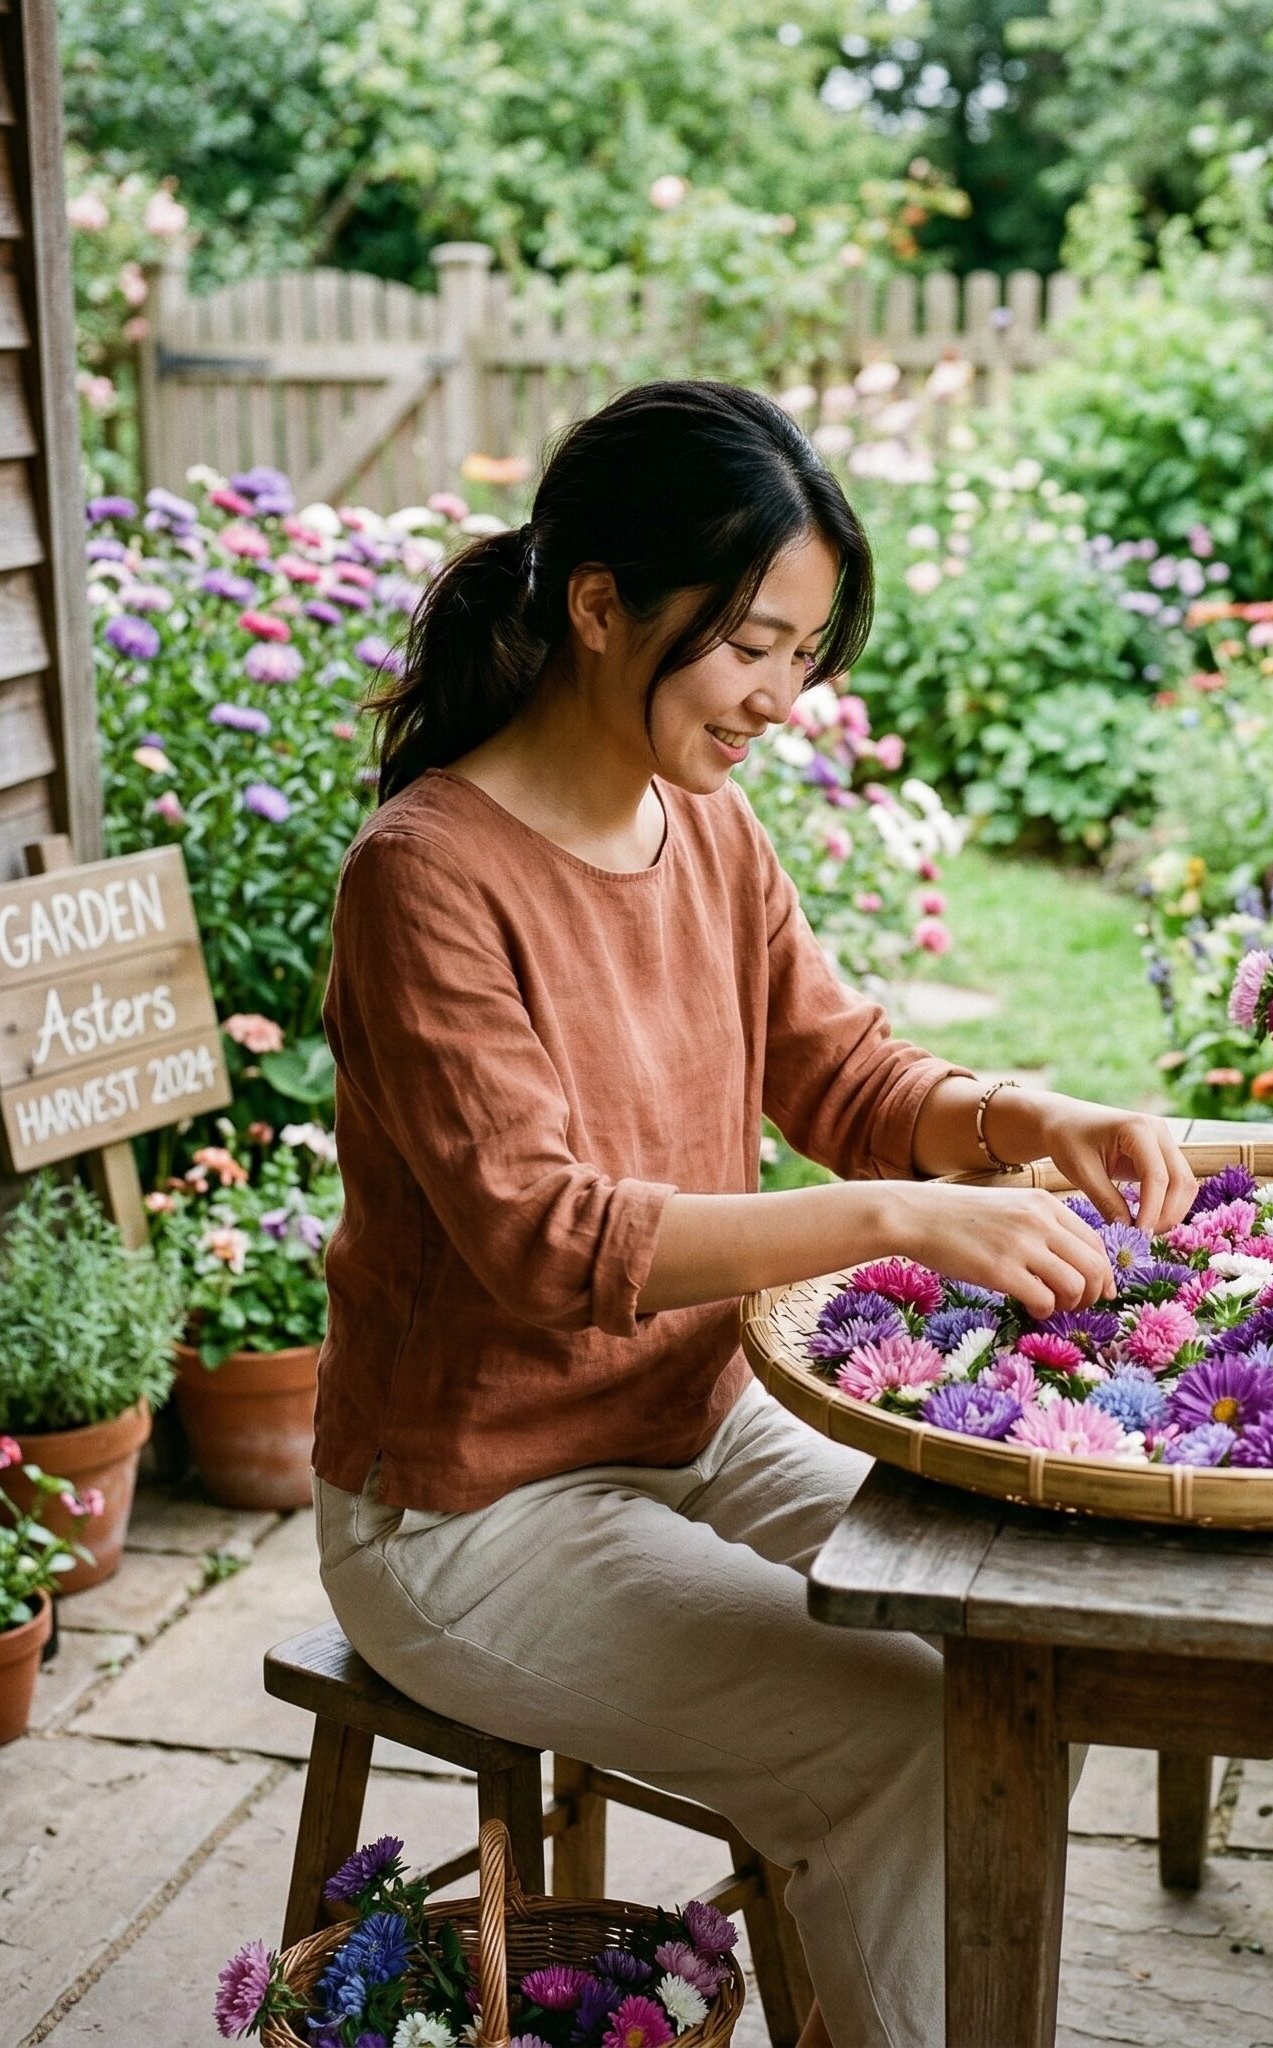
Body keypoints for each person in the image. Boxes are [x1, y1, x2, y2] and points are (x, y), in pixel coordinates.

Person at [309, 380, 1198, 2048]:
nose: (782, 698)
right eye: (750, 647)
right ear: (597, 610)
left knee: (1028, 1639)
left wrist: (1033, 1115)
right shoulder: (423, 874)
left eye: (804, 653)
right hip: (464, 1511)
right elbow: (550, 1245)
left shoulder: (704, 829)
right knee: (906, 1732)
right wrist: (889, 1223)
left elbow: (847, 1068)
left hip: (696, 1421)